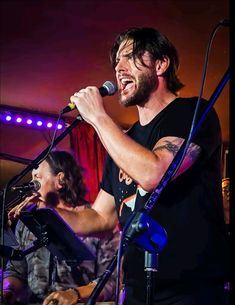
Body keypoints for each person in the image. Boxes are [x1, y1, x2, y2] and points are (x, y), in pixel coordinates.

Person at [12, 27, 229, 305]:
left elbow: (154, 173)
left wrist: (98, 117)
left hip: (191, 292)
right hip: (138, 290)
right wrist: (43, 211)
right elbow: (100, 219)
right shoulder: (124, 142)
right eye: (116, 61)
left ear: (161, 64)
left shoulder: (193, 112)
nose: (118, 67)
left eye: (130, 57)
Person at [2, 150, 119, 305]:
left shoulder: (95, 221)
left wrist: (74, 294)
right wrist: (7, 291)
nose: (32, 185)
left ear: (60, 180)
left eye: (37, 178)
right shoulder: (27, 221)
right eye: (31, 178)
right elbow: (16, 270)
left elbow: (111, 281)